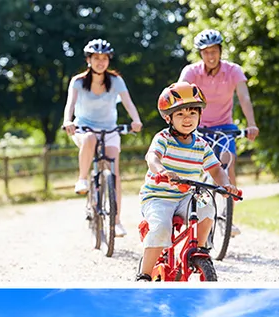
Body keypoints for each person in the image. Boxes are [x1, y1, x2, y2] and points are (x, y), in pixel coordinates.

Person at [137, 82, 234, 281]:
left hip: (184, 195)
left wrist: (225, 184)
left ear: (200, 115)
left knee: (207, 208)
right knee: (161, 227)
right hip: (158, 197)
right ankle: (144, 275)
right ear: (168, 118)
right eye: (180, 114)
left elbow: (216, 168)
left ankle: (198, 249)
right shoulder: (163, 138)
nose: (187, 119)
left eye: (192, 113)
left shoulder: (201, 144)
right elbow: (152, 158)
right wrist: (162, 171)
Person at [178, 29, 259, 237]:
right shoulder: (191, 72)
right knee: (193, 167)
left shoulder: (233, 71)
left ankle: (228, 218)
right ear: (200, 54)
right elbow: (180, 95)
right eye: (206, 52)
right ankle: (188, 211)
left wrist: (251, 124)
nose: (211, 56)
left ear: (220, 51)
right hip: (199, 127)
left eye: (214, 51)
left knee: (227, 161)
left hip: (225, 126)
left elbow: (245, 99)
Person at [61, 38, 144, 237]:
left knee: (113, 171)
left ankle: (116, 221)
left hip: (109, 131)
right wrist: (68, 121)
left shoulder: (116, 81)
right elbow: (70, 105)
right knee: (89, 139)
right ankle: (82, 179)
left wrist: (136, 120)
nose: (100, 62)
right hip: (83, 128)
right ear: (89, 60)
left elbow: (128, 103)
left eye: (104, 58)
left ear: (109, 60)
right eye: (96, 58)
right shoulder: (79, 81)